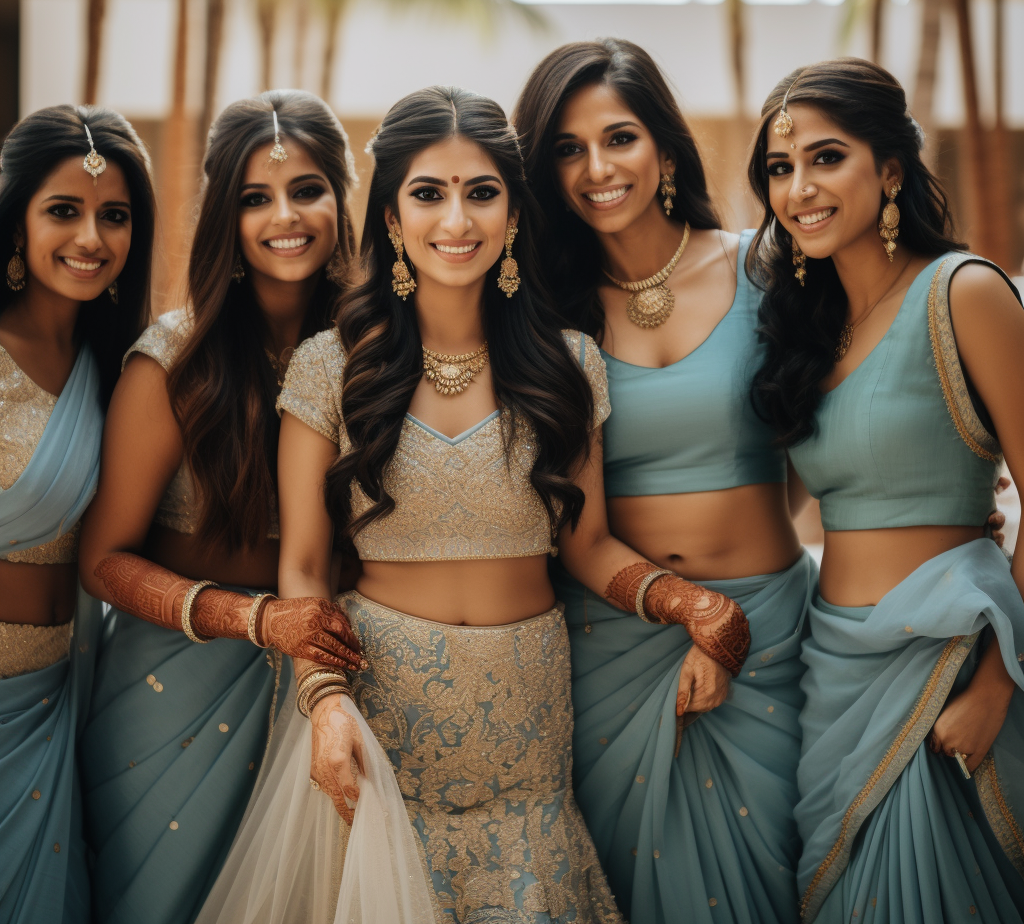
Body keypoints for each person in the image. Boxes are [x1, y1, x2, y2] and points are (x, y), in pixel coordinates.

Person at [197, 85, 751, 924]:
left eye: (481, 192)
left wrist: (689, 604)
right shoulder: (329, 365)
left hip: (527, 730)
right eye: (429, 193)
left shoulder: (568, 364)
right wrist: (325, 701)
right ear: (389, 216)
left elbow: (588, 544)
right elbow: (305, 565)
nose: (457, 220)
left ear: (515, 215)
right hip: (378, 712)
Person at [511, 37, 819, 924]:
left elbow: (825, 434)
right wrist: (690, 608)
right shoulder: (546, 312)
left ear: (666, 147)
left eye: (620, 138)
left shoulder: (767, 265)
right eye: (567, 149)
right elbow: (577, 531)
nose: (597, 168)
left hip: (769, 635)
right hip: (616, 645)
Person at [749, 57, 1024, 923]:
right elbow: (774, 508)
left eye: (827, 158)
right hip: (831, 672)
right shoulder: (806, 329)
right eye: (780, 170)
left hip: (947, 666)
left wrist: (994, 688)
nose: (800, 189)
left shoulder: (964, 293)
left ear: (891, 169)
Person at [77, 91, 363, 924]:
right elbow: (103, 559)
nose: (285, 216)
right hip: (171, 696)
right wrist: (254, 620)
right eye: (255, 197)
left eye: (307, 190)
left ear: (342, 199)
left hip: (329, 681)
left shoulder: (378, 352)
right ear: (224, 216)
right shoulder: (174, 359)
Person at [0, 105, 155, 923]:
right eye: (63, 210)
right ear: (16, 219)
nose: (91, 236)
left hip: (55, 699)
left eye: (114, 215)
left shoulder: (120, 370)